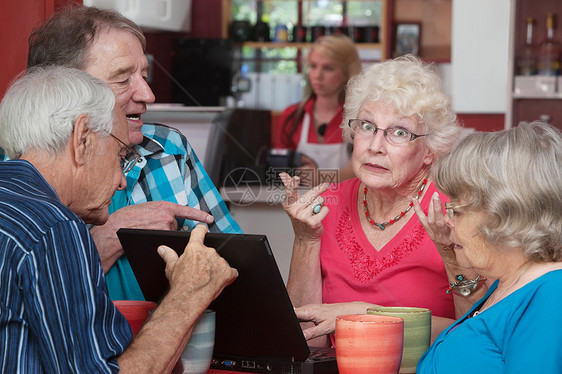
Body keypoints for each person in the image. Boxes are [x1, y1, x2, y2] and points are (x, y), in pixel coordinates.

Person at [0, 66, 238, 373]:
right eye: (119, 154)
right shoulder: (54, 227)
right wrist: (188, 294)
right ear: (82, 137)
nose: (122, 181)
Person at [16, 5, 242, 301]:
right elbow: (24, 310)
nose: (148, 95)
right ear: (61, 91)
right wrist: (109, 236)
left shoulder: (169, 149)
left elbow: (240, 270)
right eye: (123, 79)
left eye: (144, 76)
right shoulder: (16, 174)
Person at [280, 55, 485, 346]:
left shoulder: (456, 212)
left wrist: (367, 316)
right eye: (366, 126)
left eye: (399, 133)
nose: (375, 146)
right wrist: (305, 241)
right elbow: (306, 342)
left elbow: (476, 335)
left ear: (430, 150)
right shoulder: (327, 204)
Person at [416, 121, 562, 373]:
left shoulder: (551, 294)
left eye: (458, 211)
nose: (448, 222)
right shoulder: (507, 284)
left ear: (505, 215)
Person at [273, 34, 361, 185]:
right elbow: (277, 170)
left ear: (346, 73)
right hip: (300, 205)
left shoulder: (360, 118)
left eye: (328, 68)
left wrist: (318, 177)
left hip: (348, 205)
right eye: (313, 66)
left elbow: (359, 171)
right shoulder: (292, 116)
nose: (317, 75)